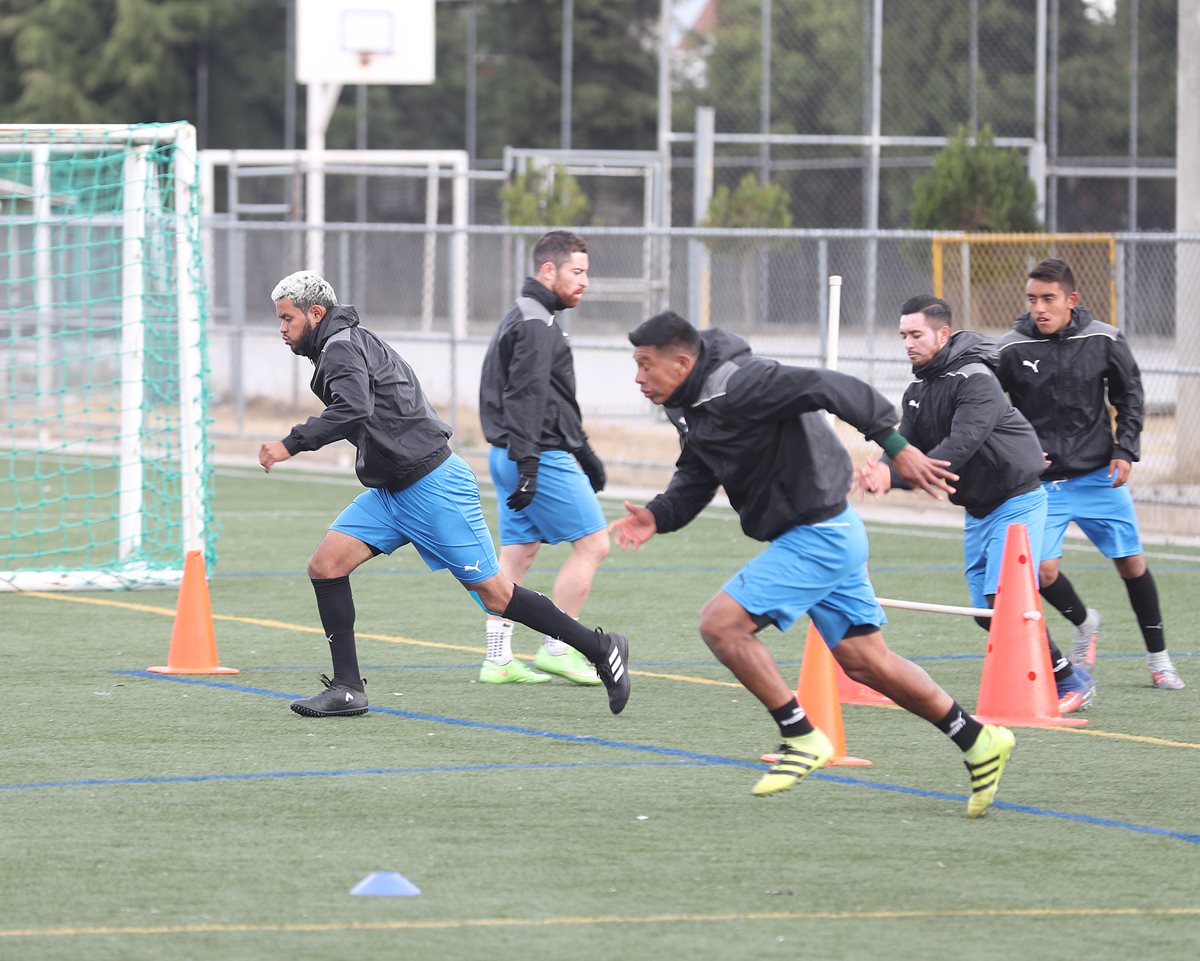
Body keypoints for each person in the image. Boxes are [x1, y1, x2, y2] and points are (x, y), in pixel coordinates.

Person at [608, 310, 1014, 819]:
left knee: (721, 624)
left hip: (818, 534)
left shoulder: (745, 384)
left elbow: (832, 386)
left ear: (682, 362)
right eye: (636, 365)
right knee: (868, 663)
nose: (638, 378)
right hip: (827, 532)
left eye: (646, 366)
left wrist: (898, 449)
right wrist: (658, 515)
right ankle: (978, 740)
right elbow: (696, 471)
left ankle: (799, 736)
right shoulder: (686, 401)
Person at [258, 270, 631, 717]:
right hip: (392, 490)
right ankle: (347, 688)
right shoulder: (343, 342)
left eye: (287, 319)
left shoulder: (340, 347)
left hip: (432, 485)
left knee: (495, 594)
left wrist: (290, 443)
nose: (281, 329)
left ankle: (600, 646)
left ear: (315, 313)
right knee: (325, 566)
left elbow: (354, 407)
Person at [857, 295, 1096, 713]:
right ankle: (1052, 676)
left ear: (943, 333)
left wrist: (891, 477)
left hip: (1017, 499)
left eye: (916, 334)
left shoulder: (975, 380)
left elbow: (955, 450)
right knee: (985, 615)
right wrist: (881, 468)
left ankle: (1070, 679)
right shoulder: (918, 389)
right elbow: (905, 444)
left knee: (1003, 604)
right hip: (979, 509)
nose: (908, 343)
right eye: (903, 336)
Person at [996, 258, 1185, 690]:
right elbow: (988, 406)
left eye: (1048, 299)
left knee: (1132, 563)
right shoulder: (1010, 348)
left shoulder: (1103, 338)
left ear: (1071, 299)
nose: (1038, 308)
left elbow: (1130, 396)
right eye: (1032, 299)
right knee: (1040, 573)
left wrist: (1125, 449)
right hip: (1042, 485)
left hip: (1099, 476)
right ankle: (1084, 622)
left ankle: (1159, 660)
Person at [477, 230, 609, 687]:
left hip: (512, 453)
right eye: (577, 272)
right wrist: (531, 465)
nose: (584, 282)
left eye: (586, 273)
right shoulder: (536, 321)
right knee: (594, 544)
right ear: (548, 270)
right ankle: (561, 648)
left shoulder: (532, 314)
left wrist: (584, 449)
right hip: (534, 455)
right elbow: (526, 397)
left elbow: (549, 396)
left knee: (516, 558)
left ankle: (497, 659)